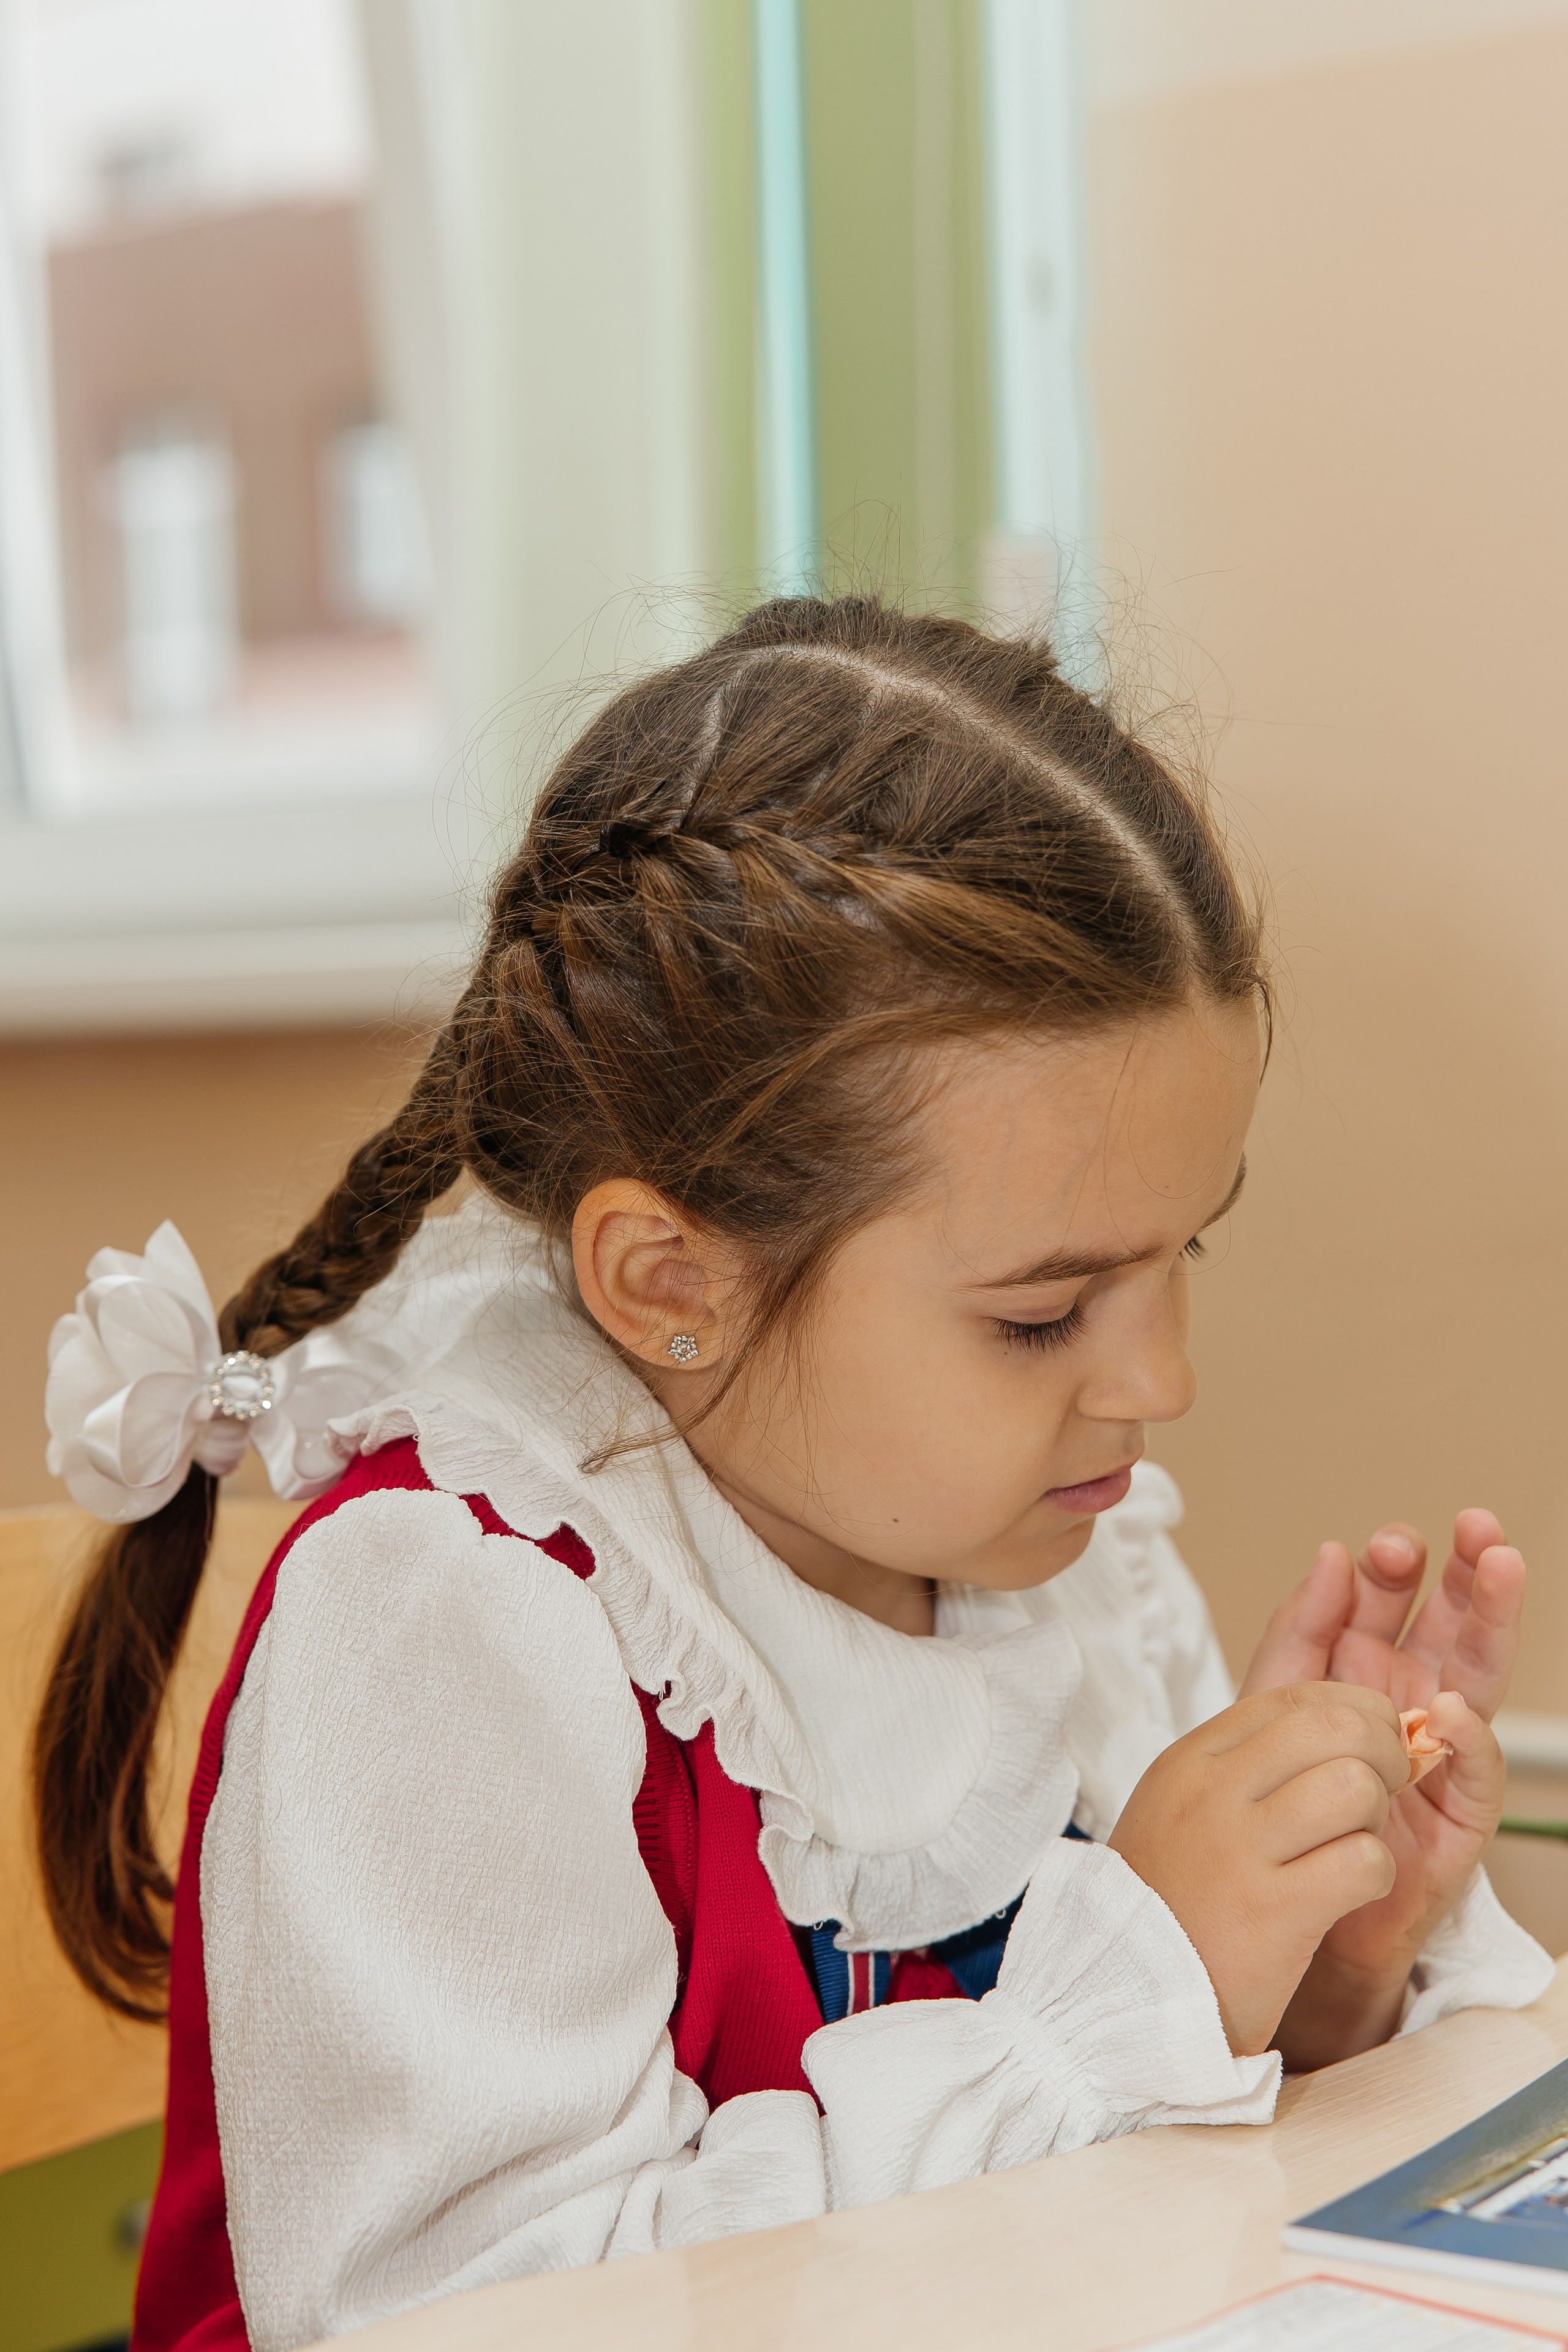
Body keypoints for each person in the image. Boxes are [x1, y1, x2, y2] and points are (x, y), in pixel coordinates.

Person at [34, 598, 1551, 2352]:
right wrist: (1128, 1998)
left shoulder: (1034, 1541)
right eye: (1046, 1313)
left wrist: (1319, 1977)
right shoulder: (447, 1628)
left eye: (1181, 1256)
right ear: (674, 1285)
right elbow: (501, 2318)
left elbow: (1144, 2190)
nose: (1162, 1384)